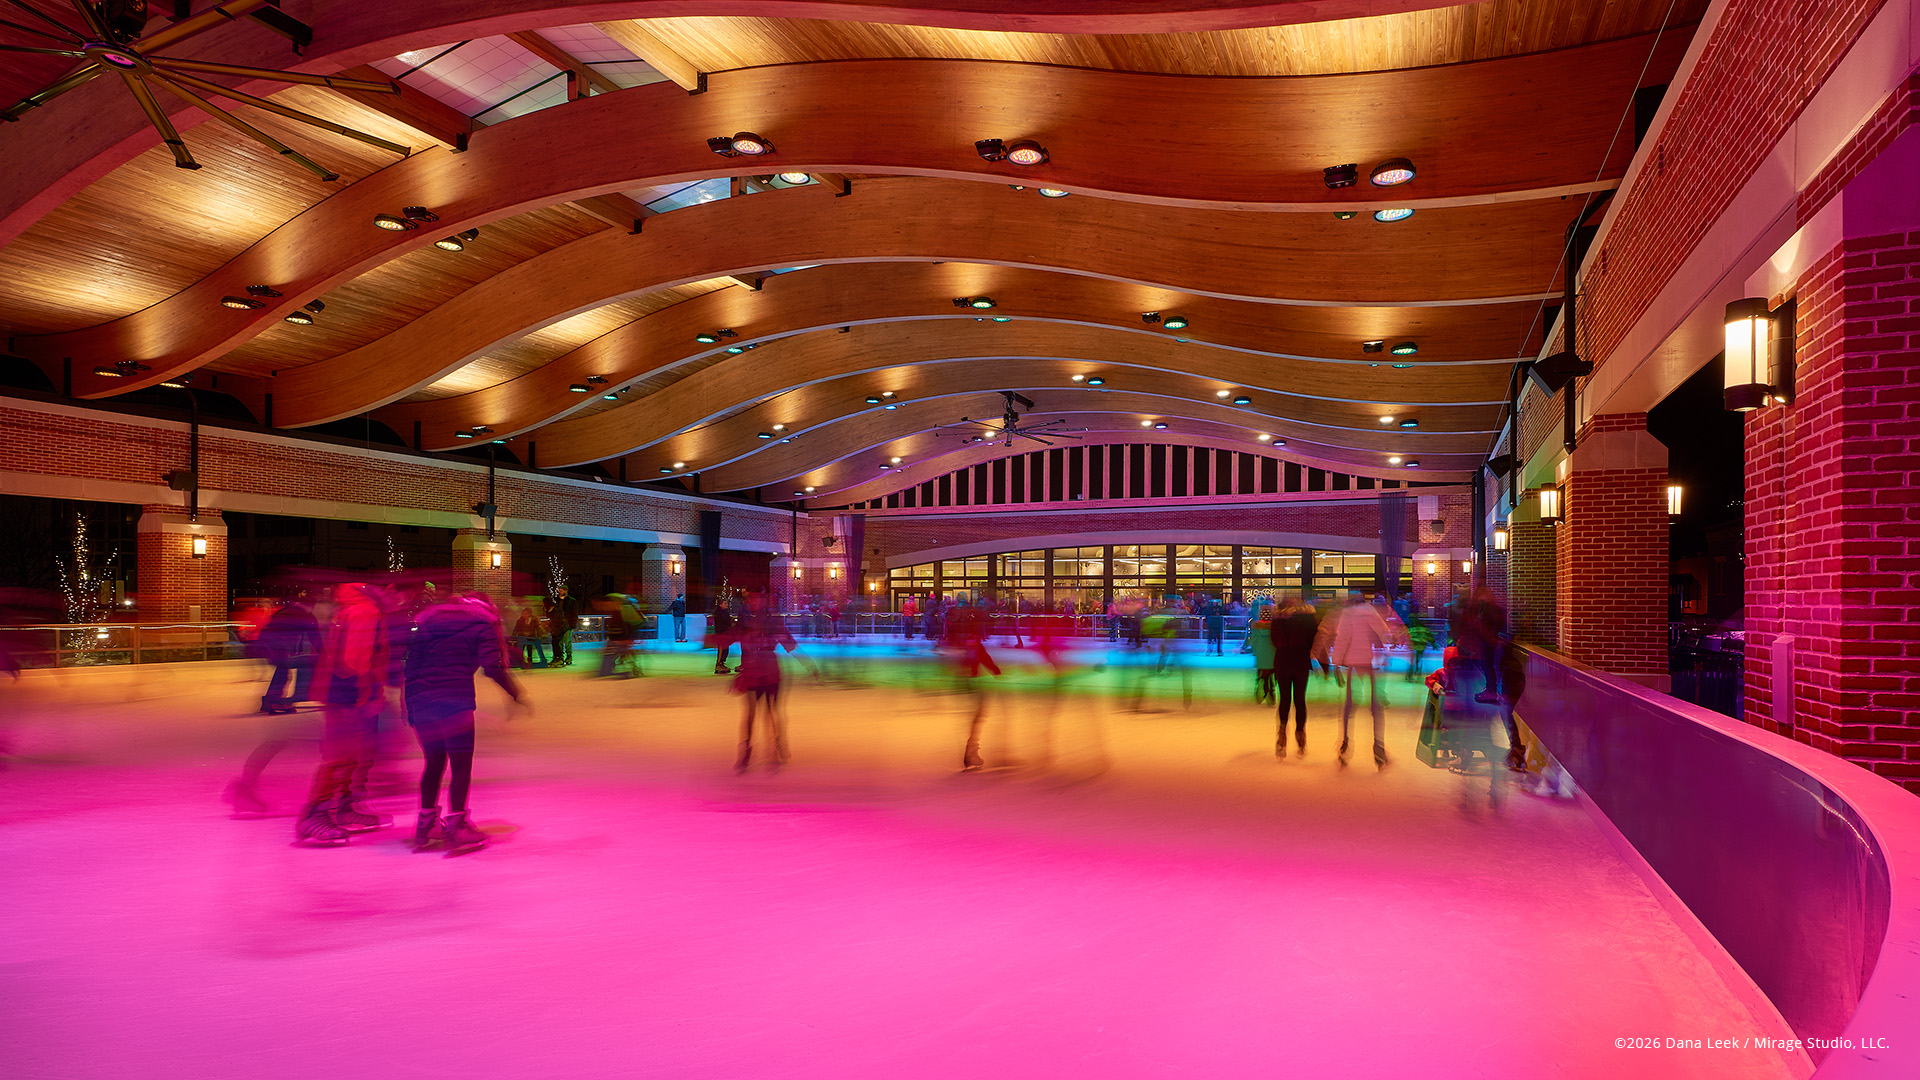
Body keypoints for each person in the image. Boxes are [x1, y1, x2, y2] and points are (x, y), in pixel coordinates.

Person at [404, 592, 526, 855]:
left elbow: (411, 664)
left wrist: (410, 704)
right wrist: (515, 693)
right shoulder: (481, 624)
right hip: (454, 704)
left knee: (434, 764)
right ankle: (457, 827)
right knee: (460, 766)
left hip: (421, 702)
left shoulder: (430, 622)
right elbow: (491, 666)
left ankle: (425, 826)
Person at [296, 582, 391, 845]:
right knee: (340, 756)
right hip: (348, 694)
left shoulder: (352, 608)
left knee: (351, 756)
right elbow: (356, 660)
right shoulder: (364, 611)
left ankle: (344, 808)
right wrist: (368, 694)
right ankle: (314, 815)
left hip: (340, 691)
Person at [728, 591, 809, 772]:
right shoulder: (746, 620)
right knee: (750, 714)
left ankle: (775, 745)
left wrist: (808, 663)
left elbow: (789, 642)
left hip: (770, 671)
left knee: (771, 711)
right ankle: (747, 750)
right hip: (752, 672)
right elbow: (732, 636)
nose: (751, 601)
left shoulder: (771, 620)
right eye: (749, 598)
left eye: (754, 598)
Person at [1330, 593, 1392, 769]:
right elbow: (1384, 632)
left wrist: (1336, 664)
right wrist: (1385, 654)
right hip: (1369, 662)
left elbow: (1342, 639)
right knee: (1375, 706)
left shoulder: (1348, 614)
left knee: (1349, 705)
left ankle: (1345, 743)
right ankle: (1378, 746)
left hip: (1354, 663)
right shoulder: (1370, 611)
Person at [944, 598, 1002, 770]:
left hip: (962, 677)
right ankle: (971, 751)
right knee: (978, 713)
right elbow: (978, 652)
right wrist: (994, 669)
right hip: (970, 677)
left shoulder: (955, 628)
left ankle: (971, 750)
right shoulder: (970, 629)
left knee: (976, 714)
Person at [1271, 596, 1319, 758]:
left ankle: (1282, 733)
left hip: (1283, 661)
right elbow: (1314, 639)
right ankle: (1300, 734)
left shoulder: (1278, 619)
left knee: (1285, 698)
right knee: (1299, 699)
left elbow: (1274, 640)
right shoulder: (1307, 619)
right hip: (1300, 661)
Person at [548, 584, 579, 667]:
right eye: (559, 590)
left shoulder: (571, 601)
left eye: (561, 590)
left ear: (566, 591)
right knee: (559, 642)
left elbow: (574, 613)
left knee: (567, 641)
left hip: (567, 624)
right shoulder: (556, 601)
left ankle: (569, 656)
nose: (560, 592)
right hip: (558, 624)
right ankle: (560, 657)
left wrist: (572, 624)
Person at [513, 603, 548, 668]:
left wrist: (538, 635)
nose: (525, 615)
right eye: (524, 613)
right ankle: (520, 660)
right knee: (521, 648)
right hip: (522, 636)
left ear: (530, 614)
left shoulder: (534, 620)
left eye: (526, 613)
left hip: (531, 636)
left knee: (529, 647)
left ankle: (530, 659)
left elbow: (537, 628)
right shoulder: (520, 620)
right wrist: (514, 636)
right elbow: (516, 628)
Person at [710, 596, 736, 674]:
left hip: (725, 634)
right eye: (725, 603)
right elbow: (721, 624)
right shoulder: (719, 613)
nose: (727, 604)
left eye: (726, 603)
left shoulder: (724, 612)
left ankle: (722, 663)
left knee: (725, 649)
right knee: (721, 650)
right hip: (721, 634)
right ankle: (718, 664)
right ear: (720, 604)